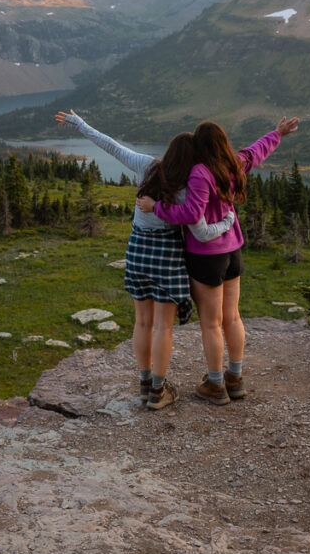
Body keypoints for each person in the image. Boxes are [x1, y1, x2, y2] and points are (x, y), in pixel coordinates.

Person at [55, 110, 235, 411]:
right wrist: (228, 221)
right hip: (166, 258)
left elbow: (110, 145)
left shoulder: (147, 166)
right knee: (163, 327)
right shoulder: (189, 185)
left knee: (141, 321)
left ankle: (144, 382)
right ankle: (157, 392)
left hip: (137, 253)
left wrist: (80, 124)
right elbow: (201, 231)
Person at [137, 116, 299, 406]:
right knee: (233, 317)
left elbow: (189, 213)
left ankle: (215, 385)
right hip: (233, 251)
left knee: (211, 324)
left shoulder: (200, 172)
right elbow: (256, 150)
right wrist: (277, 133)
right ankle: (234, 379)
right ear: (222, 143)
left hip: (206, 256)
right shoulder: (234, 163)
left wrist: (156, 207)